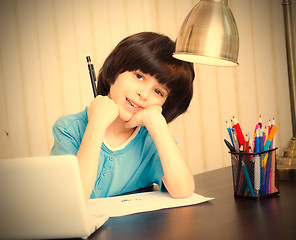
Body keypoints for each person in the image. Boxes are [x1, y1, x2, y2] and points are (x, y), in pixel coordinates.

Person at [50, 32, 195, 201]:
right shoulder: (69, 129)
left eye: (158, 91)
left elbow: (183, 190)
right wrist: (96, 125)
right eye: (139, 76)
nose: (143, 94)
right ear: (114, 73)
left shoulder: (151, 139)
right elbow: (73, 198)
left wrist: (158, 124)